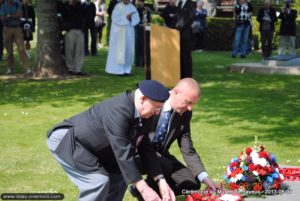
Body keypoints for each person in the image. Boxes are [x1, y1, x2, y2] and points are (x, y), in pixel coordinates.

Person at [47, 80, 176, 201]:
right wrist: (144, 189)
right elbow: (122, 151)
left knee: (119, 176)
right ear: (143, 99)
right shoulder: (119, 110)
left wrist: (161, 181)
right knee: (97, 181)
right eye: (157, 107)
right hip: (69, 140)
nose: (158, 113)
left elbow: (145, 147)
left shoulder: (145, 113)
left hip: (94, 146)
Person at [131, 78, 221, 199]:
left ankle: (151, 191)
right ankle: (146, 192)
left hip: (162, 156)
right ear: (176, 92)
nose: (190, 108)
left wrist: (206, 179)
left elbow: (187, 148)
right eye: (187, 102)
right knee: (164, 164)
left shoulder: (185, 113)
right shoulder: (153, 102)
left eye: (192, 104)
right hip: (138, 154)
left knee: (192, 184)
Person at [105, 0, 139, 76]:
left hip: (129, 32)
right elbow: (114, 18)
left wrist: (131, 18)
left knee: (128, 50)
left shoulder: (132, 7)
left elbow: (137, 18)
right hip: (119, 32)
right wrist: (126, 17)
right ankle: (118, 70)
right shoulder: (118, 7)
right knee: (120, 51)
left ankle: (127, 70)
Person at [0, 0, 31, 74]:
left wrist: (9, 15)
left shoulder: (17, 4)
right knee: (9, 50)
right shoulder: (4, 6)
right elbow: (2, 18)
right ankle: (10, 68)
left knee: (21, 49)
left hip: (17, 28)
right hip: (7, 28)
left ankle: (27, 67)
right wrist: (14, 16)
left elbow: (20, 15)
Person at [63, 0, 86, 76]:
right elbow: (64, 16)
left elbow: (85, 14)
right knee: (69, 50)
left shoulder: (81, 5)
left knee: (79, 51)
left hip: (80, 30)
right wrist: (69, 5)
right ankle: (70, 68)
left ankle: (78, 69)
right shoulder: (66, 5)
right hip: (70, 30)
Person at [176, 0, 195, 78]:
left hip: (186, 34)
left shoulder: (191, 3)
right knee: (180, 55)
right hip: (177, 34)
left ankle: (188, 75)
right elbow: (177, 16)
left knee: (186, 55)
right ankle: (181, 74)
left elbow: (189, 19)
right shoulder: (180, 3)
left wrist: (180, 27)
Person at [135, 0, 151, 67]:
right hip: (136, 28)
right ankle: (137, 63)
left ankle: (144, 63)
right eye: (138, 1)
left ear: (143, 2)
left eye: (140, 1)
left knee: (143, 46)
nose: (139, 3)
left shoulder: (147, 9)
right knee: (137, 46)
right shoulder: (135, 9)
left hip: (144, 29)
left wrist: (147, 20)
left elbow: (149, 19)